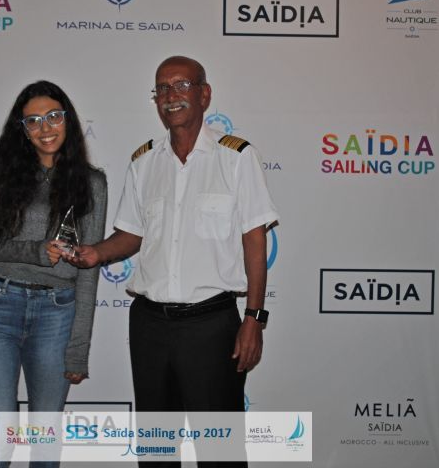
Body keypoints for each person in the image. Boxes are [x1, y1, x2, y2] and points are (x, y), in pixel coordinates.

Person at [59, 56, 278, 467]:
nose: (171, 95)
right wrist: (95, 253)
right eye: (162, 88)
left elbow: (254, 241)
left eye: (181, 85)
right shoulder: (144, 162)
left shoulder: (236, 157)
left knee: (220, 453)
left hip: (211, 326)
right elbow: (131, 235)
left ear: (204, 94)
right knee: (157, 451)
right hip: (150, 326)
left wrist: (254, 318)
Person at [0, 80, 107, 468]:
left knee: (45, 439)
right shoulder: (1, 172)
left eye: (53, 116)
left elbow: (88, 271)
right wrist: (36, 252)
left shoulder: (92, 183)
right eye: (33, 121)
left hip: (56, 313)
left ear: (68, 120)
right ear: (22, 129)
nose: (45, 128)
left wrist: (78, 348)